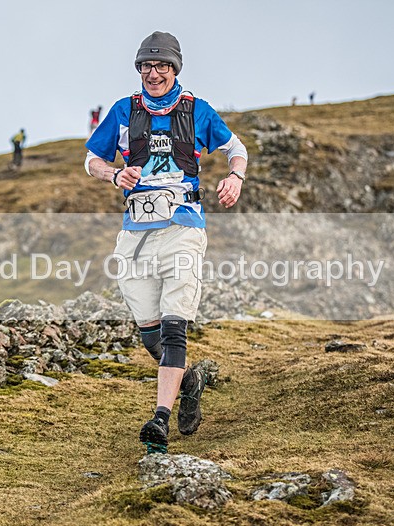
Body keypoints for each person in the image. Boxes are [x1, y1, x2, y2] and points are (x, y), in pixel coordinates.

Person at [84, 31, 248, 454]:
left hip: (183, 226)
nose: (153, 73)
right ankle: (189, 379)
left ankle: (160, 420)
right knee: (149, 332)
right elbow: (92, 160)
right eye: (146, 66)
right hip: (135, 234)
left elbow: (237, 148)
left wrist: (235, 177)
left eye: (162, 66)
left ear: (175, 69)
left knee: (175, 325)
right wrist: (113, 175)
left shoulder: (198, 112)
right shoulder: (123, 111)